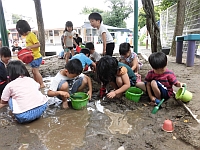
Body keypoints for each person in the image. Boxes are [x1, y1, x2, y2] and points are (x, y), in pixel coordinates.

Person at [16, 20, 45, 89]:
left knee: (36, 71)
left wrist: (30, 47)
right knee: (33, 71)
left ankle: (41, 84)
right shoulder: (28, 36)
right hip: (33, 57)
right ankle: (36, 83)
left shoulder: (31, 35)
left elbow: (38, 44)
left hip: (36, 57)